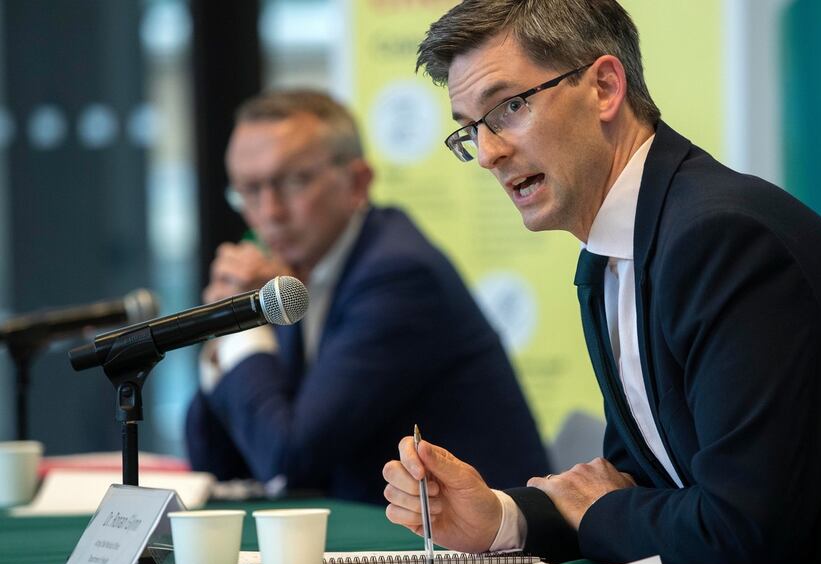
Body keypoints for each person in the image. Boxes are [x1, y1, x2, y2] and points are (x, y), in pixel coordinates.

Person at [380, 1, 821, 564]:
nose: (488, 153)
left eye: (508, 108)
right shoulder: (613, 254)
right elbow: (642, 484)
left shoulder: (725, 240)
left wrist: (600, 509)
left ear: (604, 87)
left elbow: (743, 527)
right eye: (471, 128)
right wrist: (501, 519)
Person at [186, 89, 550, 505]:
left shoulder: (398, 276)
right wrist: (225, 338)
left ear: (358, 183)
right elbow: (217, 464)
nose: (270, 212)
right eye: (249, 190)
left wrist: (243, 332)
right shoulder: (291, 277)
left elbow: (287, 460)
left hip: (479, 536)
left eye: (294, 181)